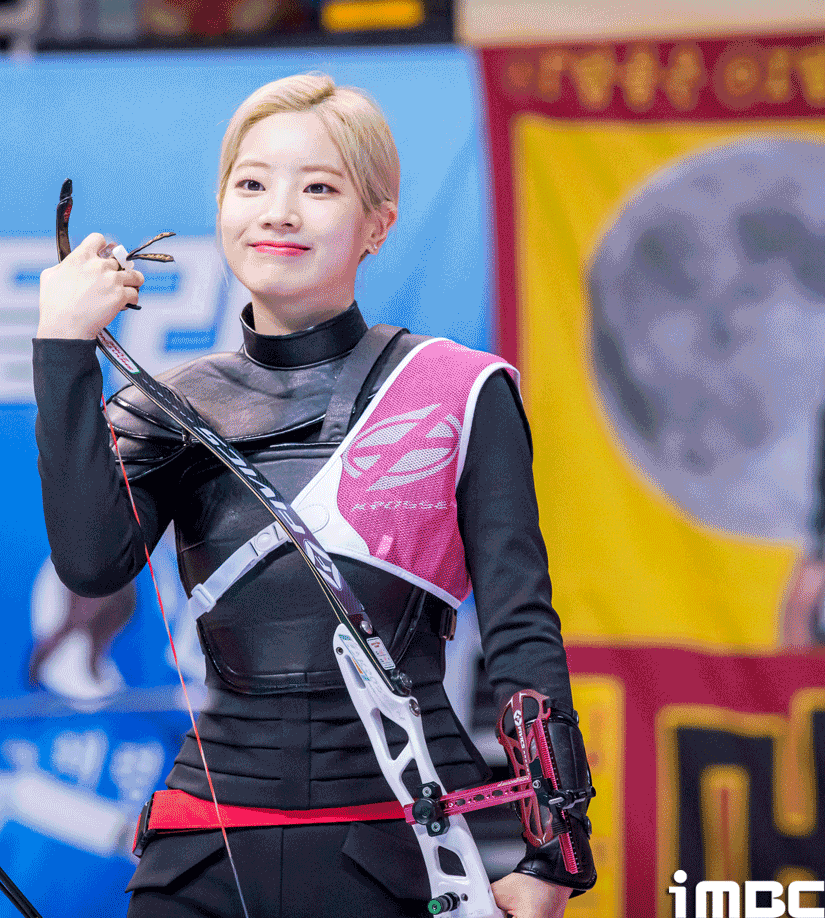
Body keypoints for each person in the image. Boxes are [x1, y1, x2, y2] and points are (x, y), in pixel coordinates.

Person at [33, 73, 595, 918]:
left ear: (378, 223)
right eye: (251, 184)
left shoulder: (456, 388)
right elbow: (90, 563)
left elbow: (520, 625)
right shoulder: (167, 403)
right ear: (220, 207)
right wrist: (61, 349)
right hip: (203, 846)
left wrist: (555, 853)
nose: (279, 212)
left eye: (319, 188)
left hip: (404, 842)